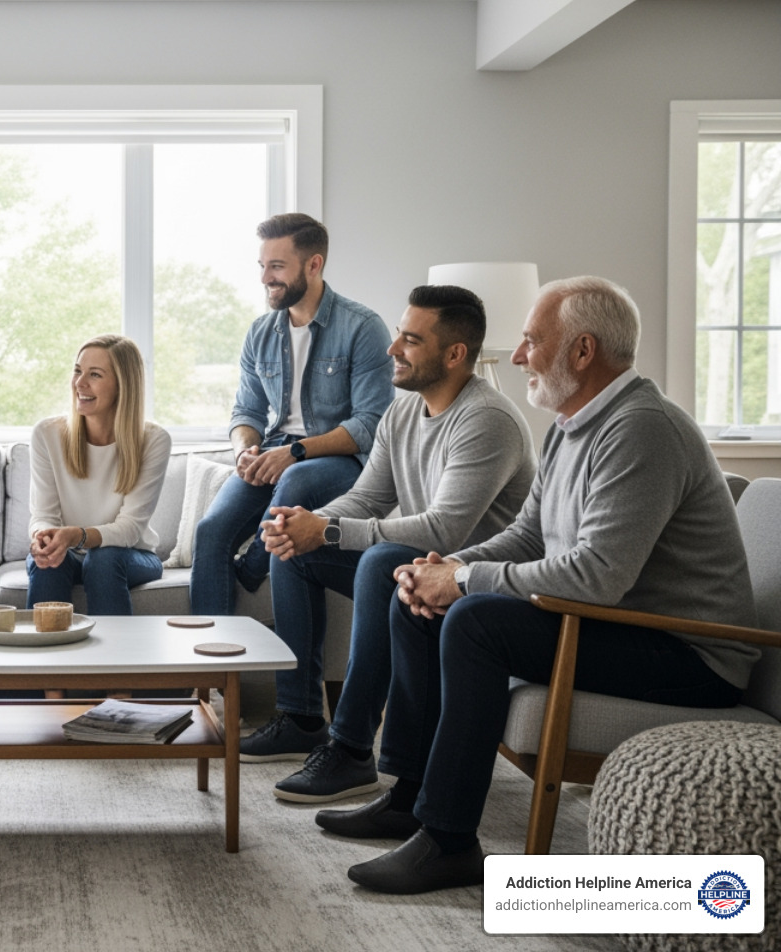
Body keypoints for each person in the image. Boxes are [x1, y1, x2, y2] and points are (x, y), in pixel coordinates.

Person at [322, 277, 760, 896]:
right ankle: (410, 796)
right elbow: (529, 536)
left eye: (532, 340)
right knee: (422, 604)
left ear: (582, 352)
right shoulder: (569, 425)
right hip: (611, 625)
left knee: (474, 620)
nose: (520, 356)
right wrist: (441, 569)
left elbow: (596, 576)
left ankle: (449, 840)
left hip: (687, 653)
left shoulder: (642, 429)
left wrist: (464, 581)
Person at [245, 285, 536, 793]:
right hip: (417, 569)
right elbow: (368, 498)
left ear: (454, 354)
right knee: (294, 554)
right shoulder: (402, 412)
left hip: (472, 581)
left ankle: (353, 747)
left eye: (410, 339)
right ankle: (300, 717)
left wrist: (327, 529)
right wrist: (305, 524)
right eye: (399, 334)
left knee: (380, 562)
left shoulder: (486, 420)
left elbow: (445, 529)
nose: (392, 348)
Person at [190, 213, 393, 617]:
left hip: (340, 461)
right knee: (210, 531)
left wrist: (295, 453)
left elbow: (370, 424)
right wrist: (245, 450)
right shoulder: (260, 333)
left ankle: (251, 570)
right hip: (278, 452)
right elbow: (246, 411)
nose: (266, 277)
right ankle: (209, 673)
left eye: (277, 267)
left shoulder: (363, 327)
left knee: (295, 482)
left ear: (314, 265)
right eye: (262, 266)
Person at [27, 335, 172, 615]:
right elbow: (43, 514)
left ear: (123, 385)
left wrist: (77, 536)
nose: (80, 383)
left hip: (131, 555)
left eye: (94, 375)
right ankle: (41, 656)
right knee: (47, 563)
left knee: (102, 559)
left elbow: (130, 529)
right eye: (78, 371)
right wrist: (43, 536)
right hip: (68, 554)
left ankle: (115, 658)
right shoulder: (47, 434)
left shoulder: (154, 440)